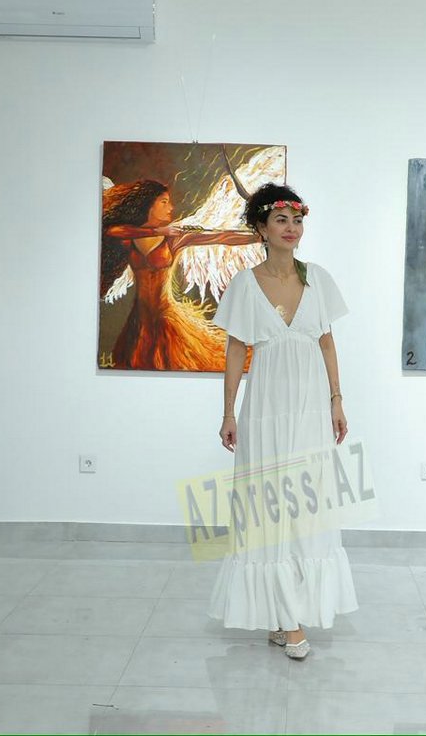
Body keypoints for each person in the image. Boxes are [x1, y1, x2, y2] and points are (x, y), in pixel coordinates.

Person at [207, 182, 358, 660]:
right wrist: (228, 411)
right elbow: (236, 350)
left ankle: (285, 614)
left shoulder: (318, 279)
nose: (291, 229)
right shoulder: (244, 284)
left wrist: (337, 400)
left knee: (306, 505)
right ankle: (288, 621)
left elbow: (327, 341)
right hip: (267, 409)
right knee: (269, 505)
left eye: (297, 221)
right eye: (281, 220)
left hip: (310, 408)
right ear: (261, 228)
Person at [100, 180, 261, 370]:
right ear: (148, 204)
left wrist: (258, 237)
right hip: (139, 316)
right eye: (164, 202)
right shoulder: (131, 237)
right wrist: (157, 230)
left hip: (165, 315)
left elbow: (221, 236)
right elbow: (111, 231)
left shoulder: (173, 238)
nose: (171, 207)